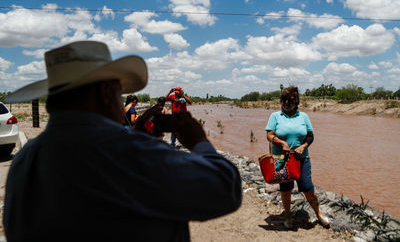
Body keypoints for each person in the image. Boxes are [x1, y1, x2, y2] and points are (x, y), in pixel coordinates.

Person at [3, 41, 242, 241]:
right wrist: (198, 140)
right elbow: (225, 188)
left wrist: (136, 138)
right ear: (106, 93)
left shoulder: (24, 161)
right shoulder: (133, 154)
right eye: (119, 93)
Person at [265, 86, 330, 229]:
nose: (287, 103)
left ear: (297, 102)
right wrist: (282, 143)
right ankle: (288, 215)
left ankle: (318, 214)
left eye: (291, 100)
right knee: (286, 188)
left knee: (307, 186)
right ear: (281, 100)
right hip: (282, 159)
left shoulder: (303, 116)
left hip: (302, 158)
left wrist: (303, 146)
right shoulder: (275, 116)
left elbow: (310, 136)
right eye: (285, 100)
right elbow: (269, 135)